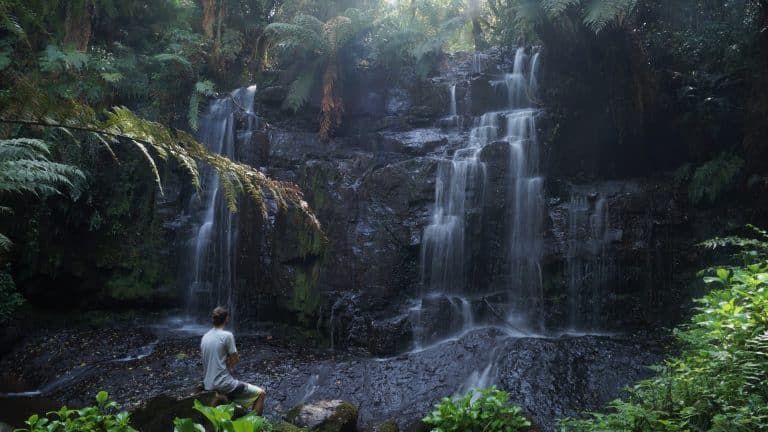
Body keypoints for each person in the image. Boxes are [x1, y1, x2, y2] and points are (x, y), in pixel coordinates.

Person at [200, 306, 266, 415]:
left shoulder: (205, 337)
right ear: (226, 319)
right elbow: (235, 360)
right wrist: (229, 364)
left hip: (208, 383)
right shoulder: (227, 336)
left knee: (227, 400)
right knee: (261, 393)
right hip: (224, 384)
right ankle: (255, 425)